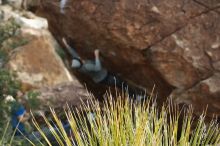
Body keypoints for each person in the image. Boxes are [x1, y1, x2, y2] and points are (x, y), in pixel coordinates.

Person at [62, 38, 143, 98]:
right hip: (104, 77)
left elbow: (74, 54)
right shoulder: (86, 66)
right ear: (80, 62)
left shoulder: (80, 66)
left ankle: (132, 95)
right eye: (79, 59)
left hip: (103, 76)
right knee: (121, 84)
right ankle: (135, 97)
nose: (79, 58)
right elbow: (97, 68)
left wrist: (66, 45)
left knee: (119, 81)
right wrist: (96, 56)